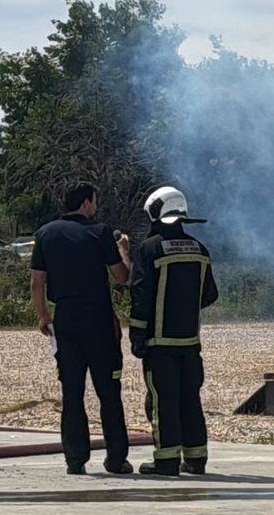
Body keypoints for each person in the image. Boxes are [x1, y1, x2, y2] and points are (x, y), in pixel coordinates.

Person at [31, 181, 133, 475]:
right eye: (95, 201)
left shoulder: (46, 233)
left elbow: (37, 282)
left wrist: (43, 316)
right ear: (87, 203)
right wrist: (124, 251)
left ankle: (75, 459)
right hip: (99, 320)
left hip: (66, 318)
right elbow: (121, 277)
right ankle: (116, 458)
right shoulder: (99, 232)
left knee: (72, 392)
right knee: (109, 391)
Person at [128, 186, 219, 476]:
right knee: (189, 398)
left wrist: (137, 336)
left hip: (160, 343)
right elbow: (210, 295)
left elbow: (141, 296)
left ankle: (166, 460)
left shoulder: (150, 248)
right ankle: (196, 459)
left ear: (156, 212)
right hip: (190, 344)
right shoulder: (199, 249)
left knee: (163, 400)